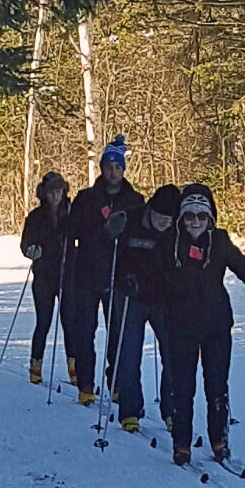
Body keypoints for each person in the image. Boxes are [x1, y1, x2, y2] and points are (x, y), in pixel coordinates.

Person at [157, 183, 245, 466]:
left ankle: (219, 439)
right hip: (180, 327)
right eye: (190, 215)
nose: (195, 222)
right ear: (182, 218)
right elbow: (150, 276)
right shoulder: (169, 242)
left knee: (217, 386)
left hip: (215, 326)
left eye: (202, 216)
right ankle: (182, 442)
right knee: (183, 388)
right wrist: (134, 285)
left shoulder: (219, 242)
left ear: (211, 219)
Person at [65, 135, 145, 405]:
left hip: (119, 274)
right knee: (85, 331)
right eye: (108, 166)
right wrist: (102, 232)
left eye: (117, 167)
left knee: (118, 335)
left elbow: (140, 236)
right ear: (102, 167)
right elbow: (72, 231)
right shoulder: (85, 198)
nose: (113, 171)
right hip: (87, 273)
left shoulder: (135, 200)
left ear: (124, 169)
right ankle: (86, 384)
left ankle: (117, 384)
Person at [103, 183, 181, 432]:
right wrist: (110, 232)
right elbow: (108, 252)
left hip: (163, 299)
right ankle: (130, 410)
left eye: (170, 219)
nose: (164, 223)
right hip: (129, 296)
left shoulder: (176, 229)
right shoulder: (132, 219)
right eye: (160, 217)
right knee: (128, 353)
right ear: (151, 209)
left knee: (174, 354)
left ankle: (172, 410)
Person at [19, 171, 72, 385]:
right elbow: (26, 243)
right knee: (44, 322)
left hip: (68, 274)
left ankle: (74, 367)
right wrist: (32, 250)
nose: (55, 195)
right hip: (43, 275)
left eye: (59, 191)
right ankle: (36, 365)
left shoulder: (71, 212)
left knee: (70, 322)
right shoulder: (35, 216)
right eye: (52, 191)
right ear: (44, 193)